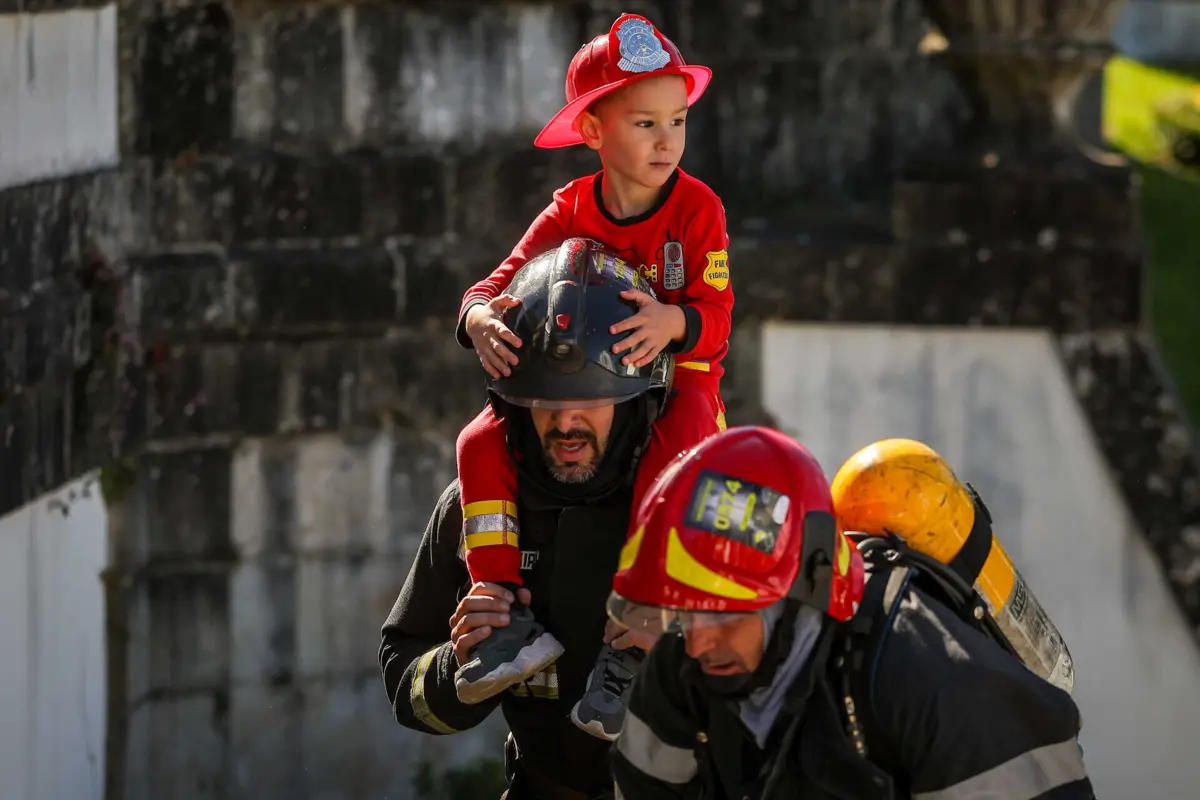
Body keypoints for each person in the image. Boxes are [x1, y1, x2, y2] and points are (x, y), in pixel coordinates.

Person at [450, 11, 735, 724]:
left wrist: (674, 323)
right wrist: (479, 318)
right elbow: (496, 283)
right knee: (477, 443)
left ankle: (638, 627)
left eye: (678, 121)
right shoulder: (569, 208)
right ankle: (503, 613)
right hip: (574, 388)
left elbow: (718, 315)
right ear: (592, 131)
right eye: (645, 123)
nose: (667, 140)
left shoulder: (698, 209)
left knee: (680, 445)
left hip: (676, 380)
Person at [380, 239, 711, 799]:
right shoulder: (479, 505)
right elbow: (402, 678)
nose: (565, 422)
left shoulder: (703, 506)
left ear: (637, 398)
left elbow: (786, 683)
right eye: (545, 400)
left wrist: (687, 644)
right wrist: (459, 668)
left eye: (591, 398)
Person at [607, 426, 1096, 800]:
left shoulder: (934, 684)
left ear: (796, 599)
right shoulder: (680, 673)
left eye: (721, 615)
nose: (696, 642)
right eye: (684, 613)